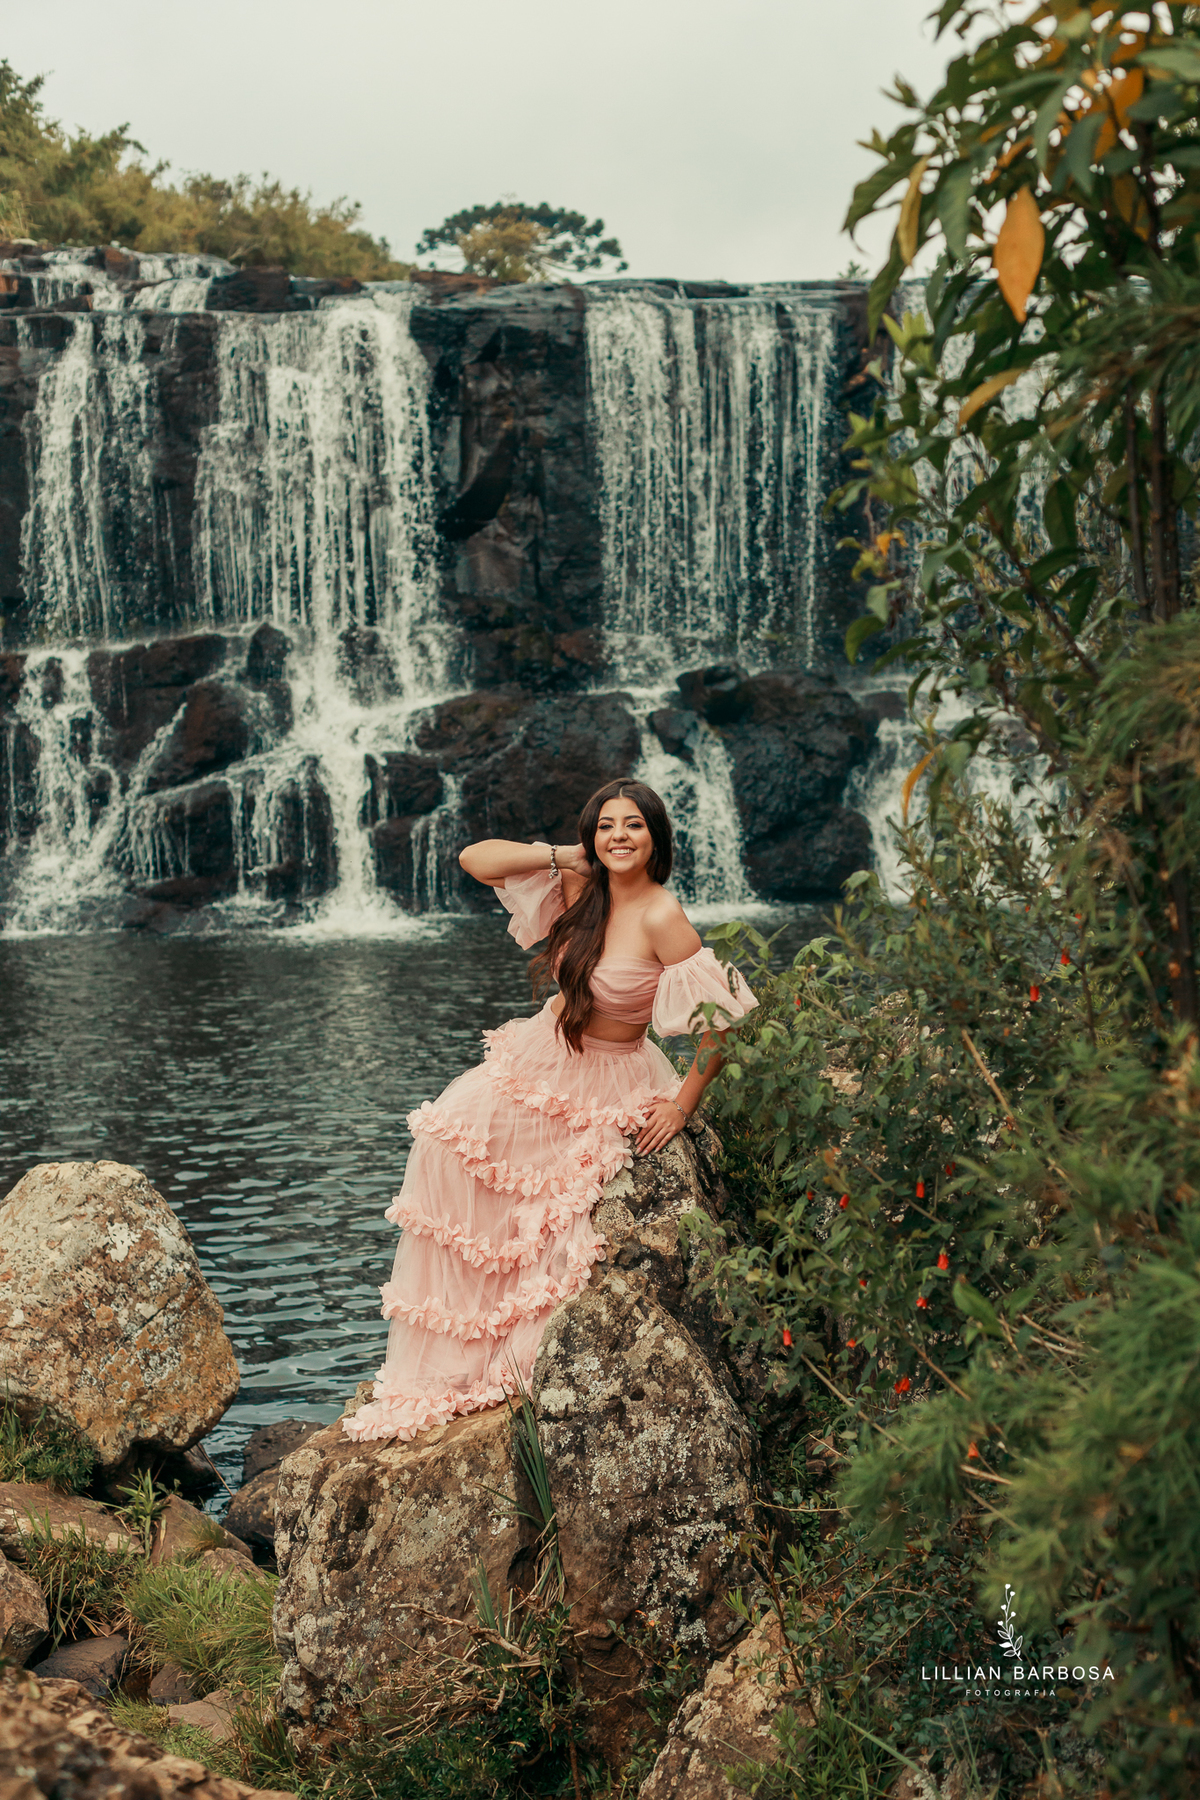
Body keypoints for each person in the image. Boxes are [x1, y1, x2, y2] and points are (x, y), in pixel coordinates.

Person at [342, 778, 757, 1445]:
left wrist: (681, 1106)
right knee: (445, 1145)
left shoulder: (660, 914)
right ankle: (462, 1337)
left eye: (634, 826)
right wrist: (566, 854)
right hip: (539, 1055)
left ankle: (506, 1343)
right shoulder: (578, 887)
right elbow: (476, 860)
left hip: (611, 1077)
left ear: (657, 839)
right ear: (592, 836)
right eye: (607, 827)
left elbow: (719, 1025)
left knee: (551, 1219)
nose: (620, 837)